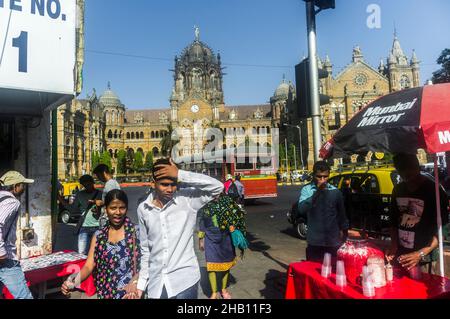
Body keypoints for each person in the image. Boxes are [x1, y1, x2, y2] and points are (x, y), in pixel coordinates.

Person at [134, 158, 223, 299]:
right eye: (164, 184)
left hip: (185, 281)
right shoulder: (143, 209)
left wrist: (179, 174)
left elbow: (217, 187)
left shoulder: (187, 200)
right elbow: (146, 250)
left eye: (173, 184)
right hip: (156, 285)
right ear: (153, 183)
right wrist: (141, 284)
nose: (170, 189)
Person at [61, 189, 141, 299]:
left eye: (122, 208)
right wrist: (73, 282)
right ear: (106, 209)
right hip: (104, 294)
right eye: (113, 208)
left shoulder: (136, 233)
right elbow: (88, 266)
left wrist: (136, 281)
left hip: (130, 295)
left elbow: (149, 264)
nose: (118, 212)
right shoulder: (99, 236)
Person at [386, 153, 449, 274]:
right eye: (401, 170)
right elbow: (393, 220)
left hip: (426, 258)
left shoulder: (433, 190)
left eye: (409, 169)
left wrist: (420, 253)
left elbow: (443, 228)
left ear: (417, 167)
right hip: (402, 254)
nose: (405, 174)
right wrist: (393, 245)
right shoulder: (398, 189)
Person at [198, 193, 248, 299]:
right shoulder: (205, 206)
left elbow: (238, 218)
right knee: (211, 267)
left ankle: (224, 289)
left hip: (226, 240)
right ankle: (214, 292)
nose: (215, 196)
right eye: (213, 193)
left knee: (226, 267)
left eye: (218, 193)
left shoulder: (228, 204)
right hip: (210, 240)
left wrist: (233, 227)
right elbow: (202, 222)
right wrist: (201, 239)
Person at [297, 161, 349, 262]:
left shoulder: (335, 192)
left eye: (325, 177)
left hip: (332, 241)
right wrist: (317, 194)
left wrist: (345, 234)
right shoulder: (306, 190)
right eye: (319, 177)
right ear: (313, 175)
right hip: (315, 241)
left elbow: (342, 215)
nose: (322, 180)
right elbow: (301, 209)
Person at [0, 171, 34, 299]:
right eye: (22, 185)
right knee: (24, 296)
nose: (23, 188)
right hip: (5, 260)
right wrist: (1, 253)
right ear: (15, 186)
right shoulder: (12, 202)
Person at [58, 175, 102, 255]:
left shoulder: (100, 194)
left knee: (97, 253)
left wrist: (99, 207)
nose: (86, 186)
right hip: (84, 227)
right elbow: (73, 209)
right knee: (81, 253)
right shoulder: (80, 195)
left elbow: (107, 209)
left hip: (98, 227)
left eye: (88, 184)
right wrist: (60, 199)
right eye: (84, 185)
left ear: (92, 183)